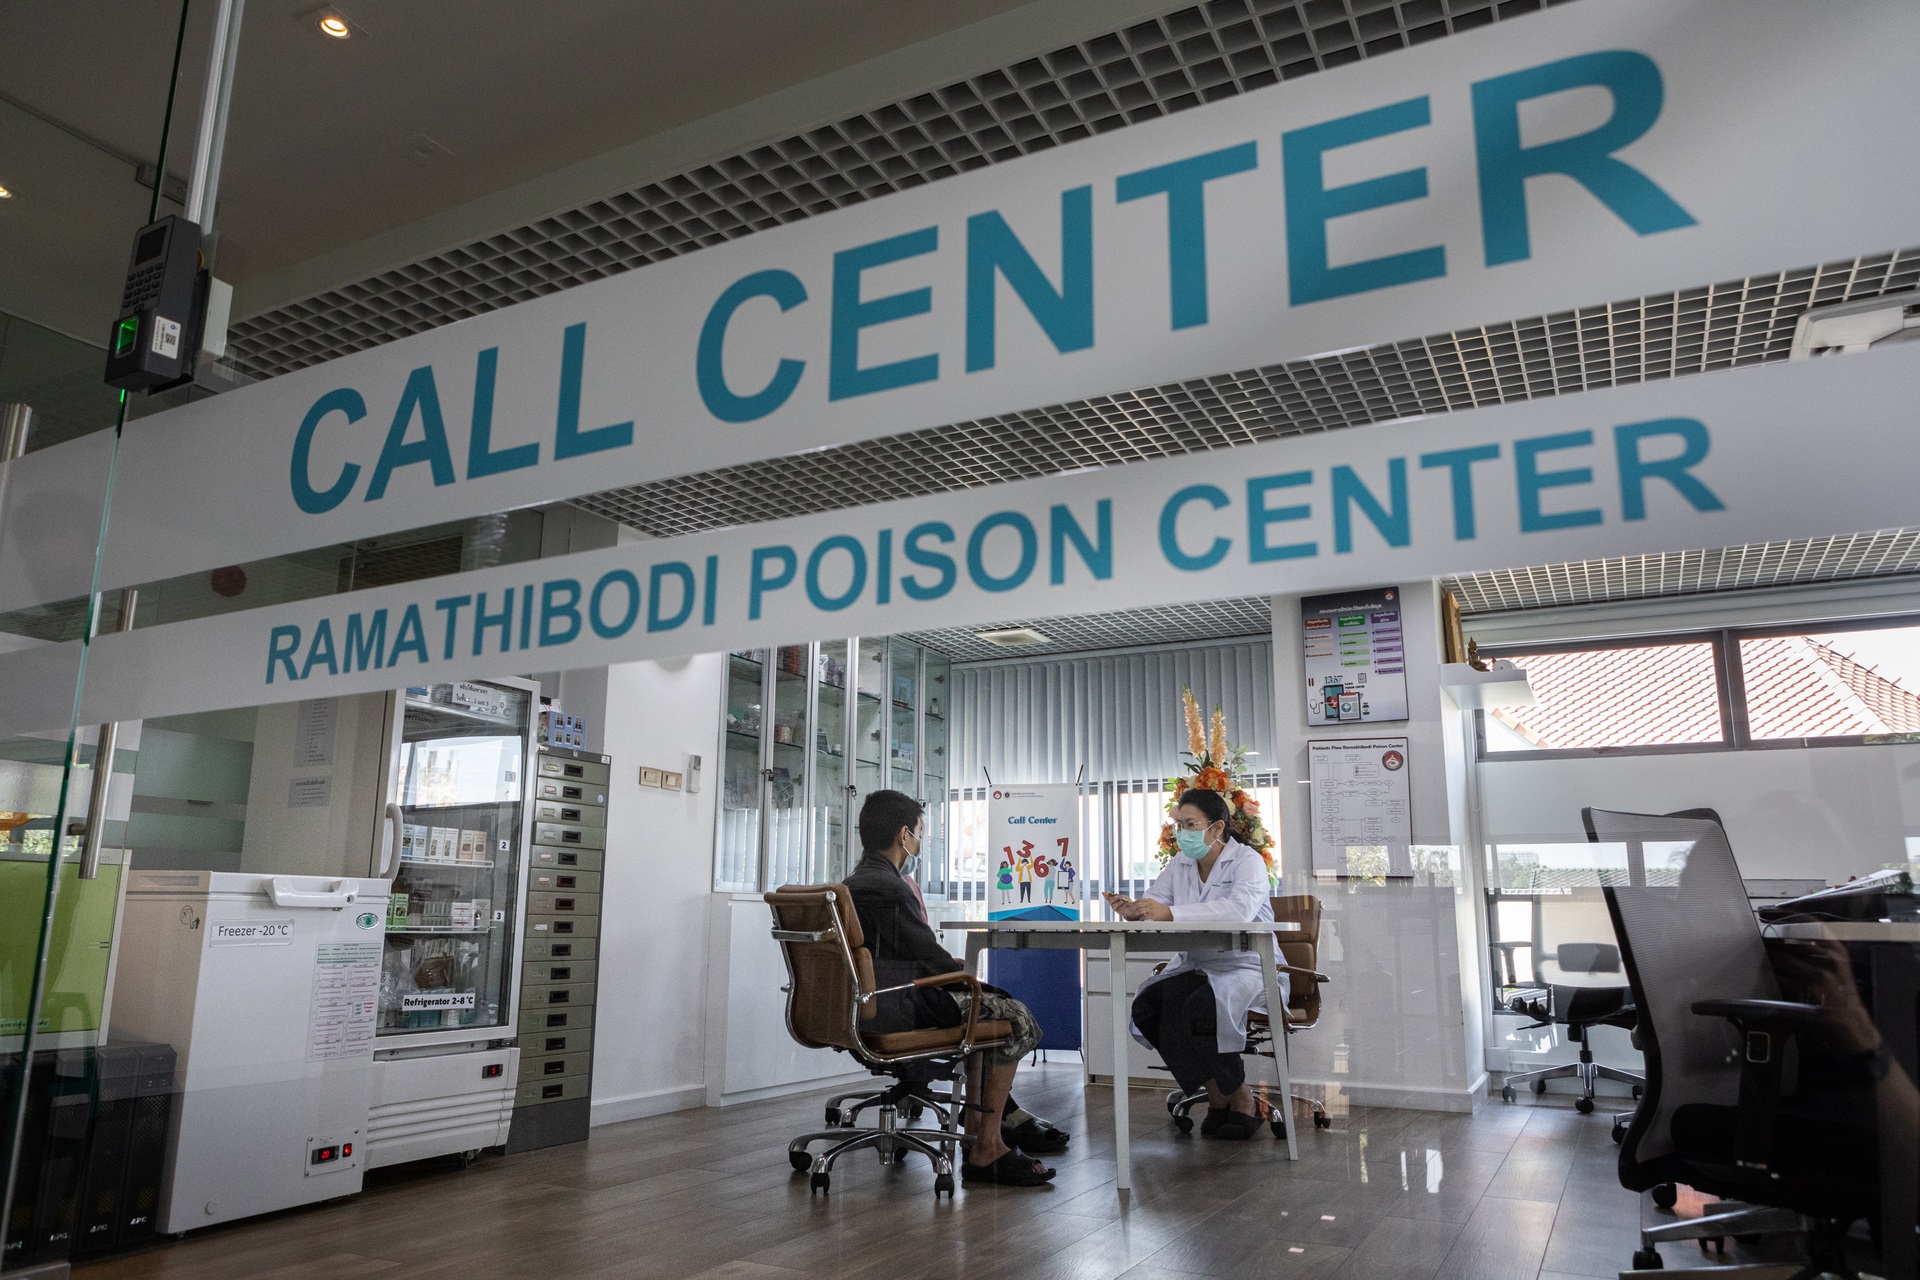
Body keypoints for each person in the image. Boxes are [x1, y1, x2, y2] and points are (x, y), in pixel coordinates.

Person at [845, 790, 1070, 1184]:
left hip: (865, 1004)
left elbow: (905, 953)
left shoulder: (851, 884)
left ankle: (980, 1134)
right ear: (903, 836)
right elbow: (929, 959)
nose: (920, 839)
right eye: (918, 831)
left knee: (989, 1014)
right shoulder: (890, 888)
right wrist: (977, 983)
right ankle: (987, 1149)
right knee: (1016, 1017)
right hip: (900, 1007)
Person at [1105, 787, 1285, 1140]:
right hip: (1198, 964)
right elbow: (1157, 902)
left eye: (1190, 824)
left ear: (1217, 829)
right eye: (1179, 825)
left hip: (1246, 966)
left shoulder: (1247, 861)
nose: (1182, 832)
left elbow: (1239, 910)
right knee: (1151, 1005)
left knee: (1201, 1008)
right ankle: (1220, 1095)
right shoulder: (1180, 864)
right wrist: (1136, 911)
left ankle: (1243, 1099)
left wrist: (1170, 912)